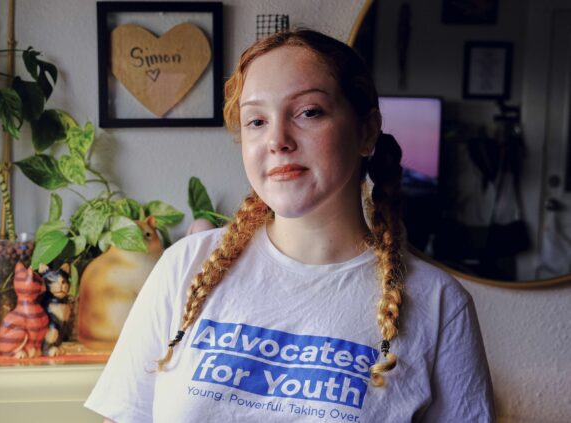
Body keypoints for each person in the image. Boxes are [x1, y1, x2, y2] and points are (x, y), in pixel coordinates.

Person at [85, 29, 495, 422]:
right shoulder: (183, 268)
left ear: (367, 131)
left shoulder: (439, 305)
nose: (277, 139)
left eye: (308, 112)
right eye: (256, 121)